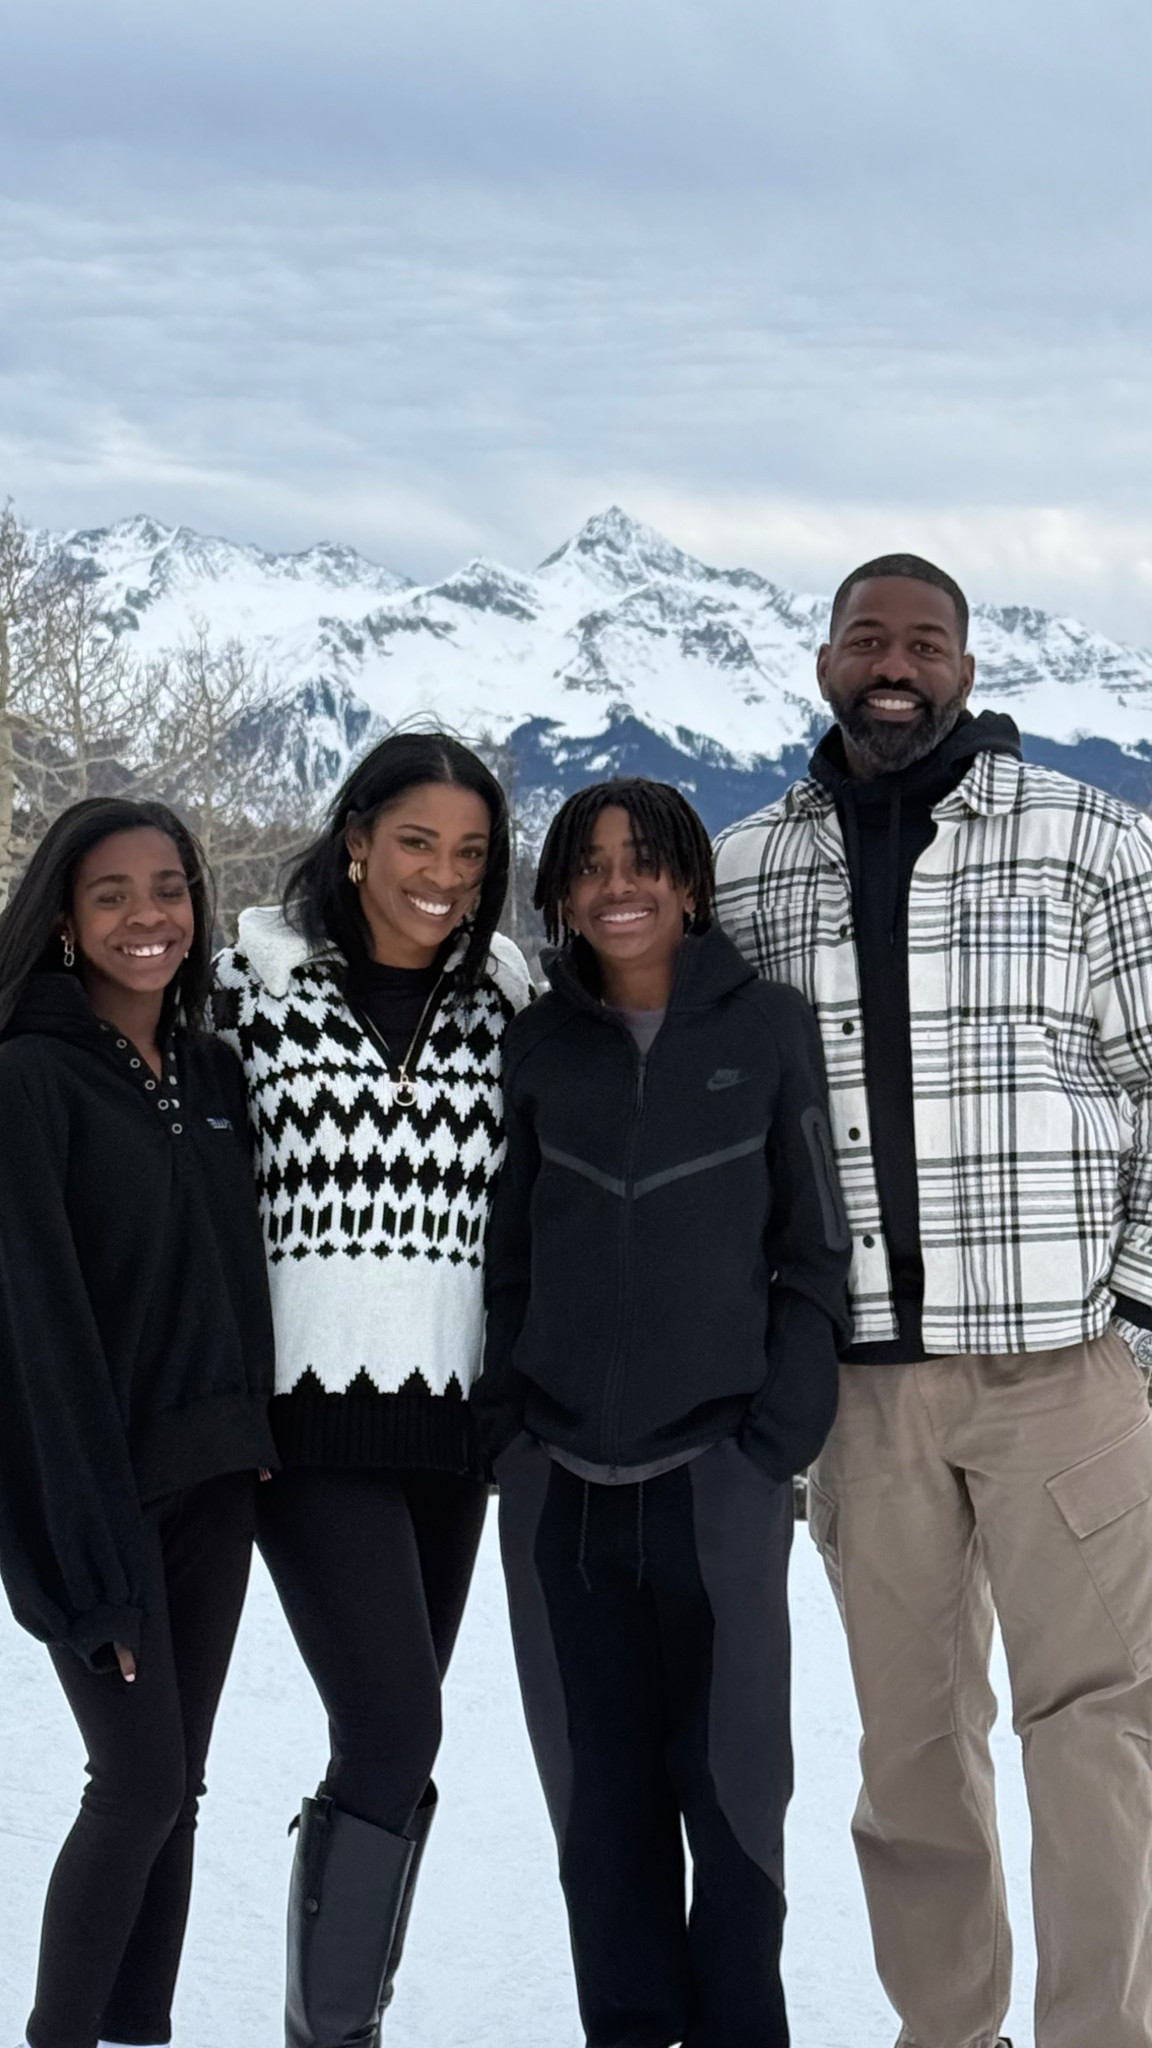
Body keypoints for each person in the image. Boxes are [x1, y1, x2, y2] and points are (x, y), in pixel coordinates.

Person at [714, 552, 1152, 2048]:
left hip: (1060, 1370)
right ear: (825, 658)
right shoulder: (749, 866)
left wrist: (1137, 1318)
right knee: (910, 1751)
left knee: (1097, 1729)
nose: (894, 664)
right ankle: (947, 2032)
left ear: (967, 665)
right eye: (868, 638)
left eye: (925, 642)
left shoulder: (1093, 838)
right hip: (861, 1390)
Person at [472, 777, 851, 2048]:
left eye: (644, 860)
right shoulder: (541, 1045)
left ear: (690, 881)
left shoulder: (769, 1026)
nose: (617, 885)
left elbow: (815, 1250)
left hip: (718, 1478)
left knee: (736, 1801)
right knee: (599, 1815)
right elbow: (509, 1255)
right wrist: (512, 1430)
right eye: (589, 865)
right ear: (560, 895)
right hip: (558, 1486)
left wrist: (773, 1441)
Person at [212, 730, 530, 2048]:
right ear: (355, 840)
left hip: (450, 1429)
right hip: (305, 1422)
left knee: (398, 1743)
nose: (441, 874)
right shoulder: (249, 988)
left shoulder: (507, 1003)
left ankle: (342, 2021)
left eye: (469, 852)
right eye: (414, 841)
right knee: (393, 1728)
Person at [0, 797, 276, 2048]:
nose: (147, 916)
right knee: (138, 1782)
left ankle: (137, 2029)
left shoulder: (212, 1071)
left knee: (181, 1786)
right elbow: (36, 1338)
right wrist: (84, 1553)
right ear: (65, 917)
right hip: (94, 1493)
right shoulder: (28, 1080)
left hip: (217, 1477)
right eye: (111, 894)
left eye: (169, 889)